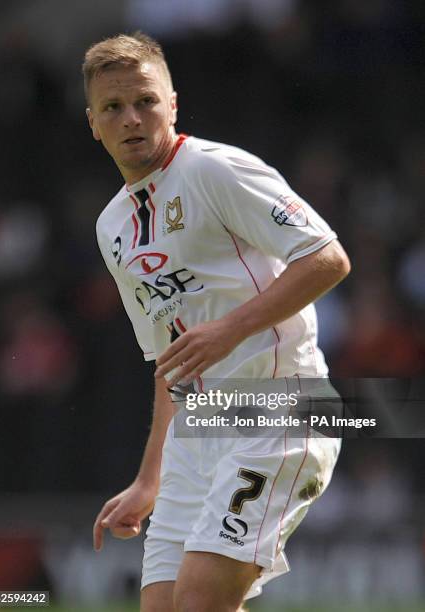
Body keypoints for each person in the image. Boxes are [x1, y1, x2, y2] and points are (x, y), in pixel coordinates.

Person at [83, 32, 350, 612]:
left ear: (172, 104)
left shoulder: (215, 170)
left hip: (282, 406)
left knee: (201, 601)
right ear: (93, 123)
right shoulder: (113, 227)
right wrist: (148, 480)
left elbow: (327, 257)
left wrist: (230, 329)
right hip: (197, 432)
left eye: (145, 101)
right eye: (113, 107)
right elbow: (168, 361)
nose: (132, 118)